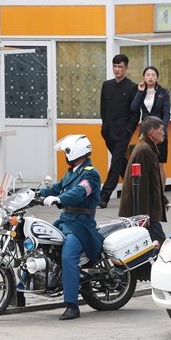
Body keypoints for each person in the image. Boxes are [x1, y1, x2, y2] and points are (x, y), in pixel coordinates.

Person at [39, 134, 103, 320]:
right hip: (66, 220)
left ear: (75, 151)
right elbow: (55, 188)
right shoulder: (72, 171)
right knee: (39, 242)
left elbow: (80, 191)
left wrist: (59, 199)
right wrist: (31, 194)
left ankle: (72, 306)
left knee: (68, 256)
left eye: (66, 152)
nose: (65, 155)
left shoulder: (90, 173)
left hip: (80, 224)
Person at [118, 116, 168, 249]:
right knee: (161, 246)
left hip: (145, 210)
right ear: (152, 132)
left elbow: (153, 182)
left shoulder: (147, 148)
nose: (164, 133)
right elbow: (142, 184)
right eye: (161, 130)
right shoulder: (144, 151)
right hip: (144, 212)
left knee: (146, 247)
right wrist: (143, 213)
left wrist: (163, 199)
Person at [99, 54, 140, 209]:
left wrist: (128, 130)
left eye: (120, 67)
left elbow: (135, 113)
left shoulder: (132, 87)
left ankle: (104, 197)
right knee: (122, 163)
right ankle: (136, 189)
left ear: (126, 68)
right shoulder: (106, 85)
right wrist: (104, 127)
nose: (117, 70)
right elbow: (103, 108)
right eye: (115, 66)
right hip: (108, 132)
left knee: (115, 162)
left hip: (123, 133)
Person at [131, 66, 171, 189]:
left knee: (159, 165)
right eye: (148, 75)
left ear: (157, 78)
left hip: (159, 132)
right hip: (145, 132)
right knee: (144, 163)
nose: (150, 77)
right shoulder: (141, 91)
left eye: (153, 75)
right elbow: (133, 108)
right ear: (144, 77)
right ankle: (146, 190)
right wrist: (140, 91)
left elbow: (167, 113)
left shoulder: (163, 93)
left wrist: (162, 130)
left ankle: (161, 192)